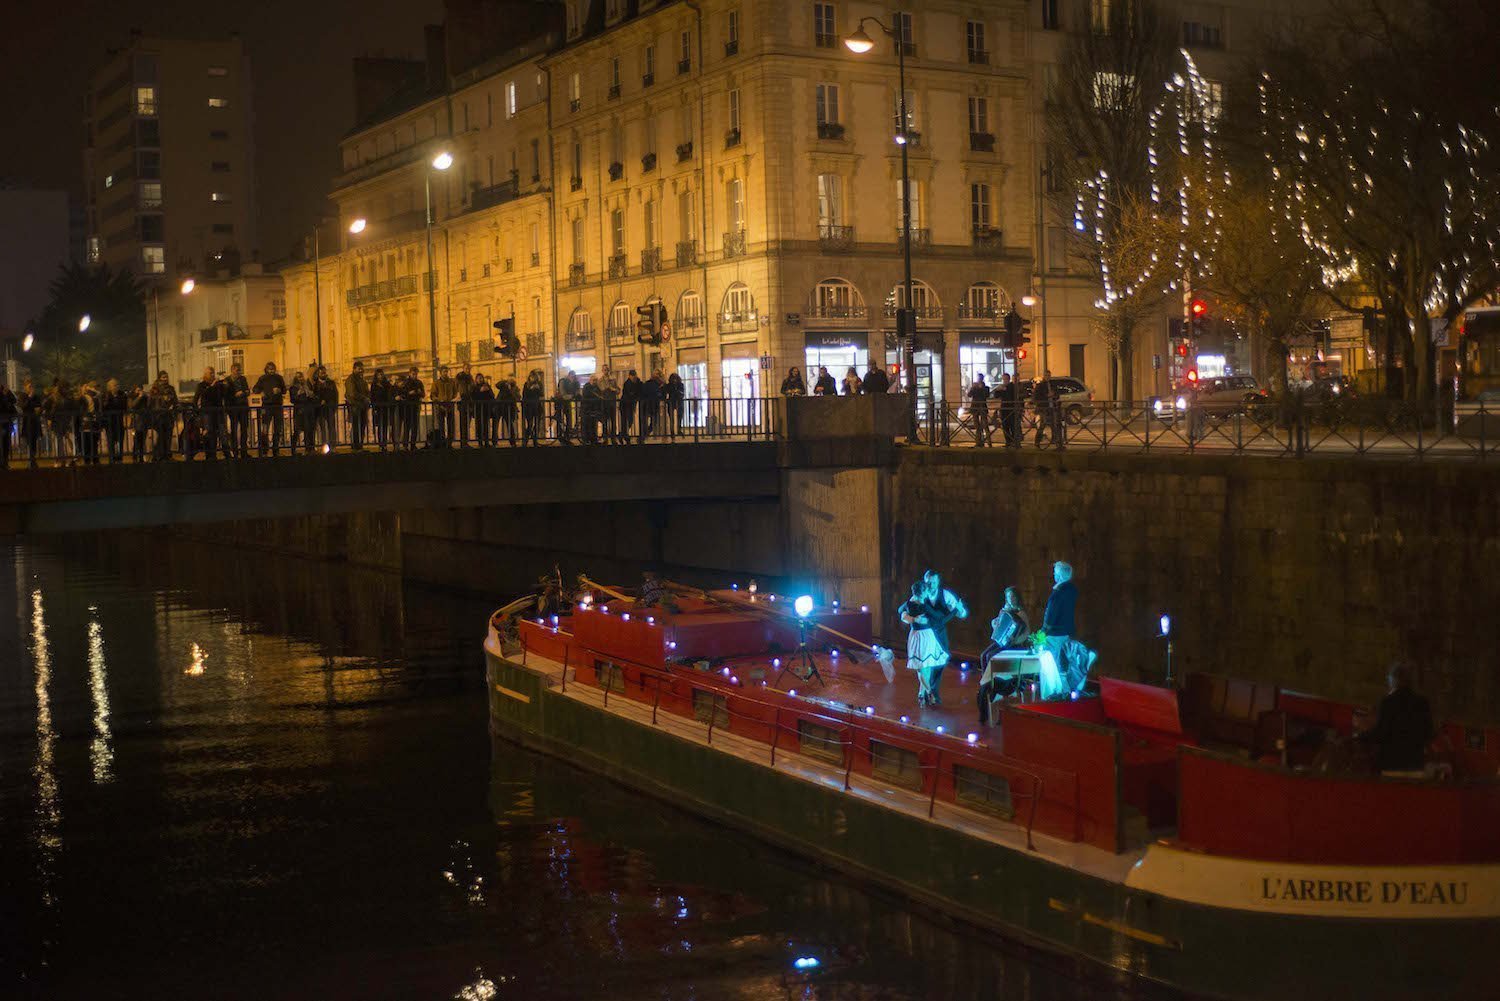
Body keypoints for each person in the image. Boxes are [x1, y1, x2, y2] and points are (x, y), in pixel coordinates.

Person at [899, 571, 968, 707]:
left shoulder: (946, 595)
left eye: (933, 582)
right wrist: (910, 618)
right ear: (925, 582)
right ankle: (928, 693)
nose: (931, 585)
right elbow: (902, 609)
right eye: (928, 582)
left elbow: (962, 613)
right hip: (924, 634)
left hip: (937, 634)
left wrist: (959, 610)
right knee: (924, 665)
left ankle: (928, 692)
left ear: (938, 582)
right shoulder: (919, 596)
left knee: (936, 663)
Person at [1356, 663, 1435, 776]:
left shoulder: (1388, 702)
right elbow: (1429, 732)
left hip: (1392, 763)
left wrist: (1361, 736)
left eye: (1389, 678)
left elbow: (1381, 732)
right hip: (1415, 764)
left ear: (1394, 679)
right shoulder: (1422, 703)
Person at [1039, 561, 1096, 698]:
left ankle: (1056, 692)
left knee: (1051, 663)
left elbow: (1051, 614)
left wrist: (1043, 631)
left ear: (1059, 575)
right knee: (1062, 660)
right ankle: (1065, 690)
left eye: (1055, 573)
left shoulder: (1058, 593)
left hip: (1054, 633)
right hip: (1065, 631)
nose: (1053, 575)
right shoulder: (1072, 590)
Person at [976, 588, 1032, 724]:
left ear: (1017, 598)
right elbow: (997, 623)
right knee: (984, 655)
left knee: (991, 655)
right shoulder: (1005, 610)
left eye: (1012, 597)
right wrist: (995, 623)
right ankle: (986, 678)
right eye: (1008, 597)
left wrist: (1015, 640)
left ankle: (992, 681)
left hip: (1013, 643)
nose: (1010, 599)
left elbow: (1026, 632)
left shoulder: (1021, 613)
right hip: (1002, 641)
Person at [253, 362, 286, 456]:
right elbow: (255, 389)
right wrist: (261, 392)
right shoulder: (262, 378)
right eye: (270, 369)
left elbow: (284, 390)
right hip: (266, 406)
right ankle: (264, 448)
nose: (271, 370)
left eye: (273, 369)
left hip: (277, 405)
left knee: (277, 428)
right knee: (265, 428)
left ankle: (275, 448)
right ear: (266, 369)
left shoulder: (279, 378)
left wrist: (279, 390)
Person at [191, 367, 222, 461]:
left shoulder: (217, 385)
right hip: (206, 413)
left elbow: (220, 396)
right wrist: (196, 413)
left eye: (213, 373)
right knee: (208, 433)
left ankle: (213, 454)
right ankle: (209, 454)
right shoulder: (201, 385)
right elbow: (200, 396)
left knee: (216, 433)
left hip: (216, 411)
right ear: (205, 374)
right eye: (210, 373)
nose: (212, 375)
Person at [222, 363, 250, 459]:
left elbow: (247, 391)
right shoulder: (227, 380)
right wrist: (234, 394)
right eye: (236, 370)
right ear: (232, 370)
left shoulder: (243, 379)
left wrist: (243, 393)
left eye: (239, 370)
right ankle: (235, 451)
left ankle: (244, 451)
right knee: (233, 430)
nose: (238, 372)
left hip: (243, 407)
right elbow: (225, 394)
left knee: (244, 429)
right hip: (233, 408)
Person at [344, 360, 370, 450]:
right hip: (355, 406)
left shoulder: (361, 380)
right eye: (359, 369)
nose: (361, 370)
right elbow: (352, 393)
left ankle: (359, 445)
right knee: (356, 426)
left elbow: (366, 391)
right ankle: (355, 445)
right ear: (354, 369)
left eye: (362, 369)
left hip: (361, 407)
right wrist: (364, 398)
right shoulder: (351, 379)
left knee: (362, 426)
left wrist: (367, 397)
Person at [289, 372, 316, 455]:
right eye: (298, 377)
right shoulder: (293, 388)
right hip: (299, 411)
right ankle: (293, 449)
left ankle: (309, 448)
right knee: (297, 430)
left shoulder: (307, 385)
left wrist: (311, 395)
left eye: (301, 377)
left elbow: (312, 396)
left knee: (309, 429)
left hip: (308, 410)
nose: (301, 379)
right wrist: (298, 394)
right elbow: (292, 399)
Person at [313, 365, 339, 450]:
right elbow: (314, 396)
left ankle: (333, 446)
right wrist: (319, 402)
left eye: (324, 372)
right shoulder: (315, 385)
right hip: (320, 409)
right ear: (318, 373)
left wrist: (334, 406)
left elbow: (335, 395)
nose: (323, 374)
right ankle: (324, 446)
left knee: (331, 427)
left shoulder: (331, 383)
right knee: (322, 428)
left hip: (330, 407)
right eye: (321, 372)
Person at [19, 379, 44, 468]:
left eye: (32, 386)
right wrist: (29, 398)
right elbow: (23, 407)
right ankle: (30, 460)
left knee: (34, 441)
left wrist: (38, 409)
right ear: (25, 387)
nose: (31, 388)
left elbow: (39, 406)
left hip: (35, 422)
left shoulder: (36, 396)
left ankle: (33, 460)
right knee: (29, 440)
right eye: (29, 386)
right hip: (27, 422)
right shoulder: (23, 396)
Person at [399, 366, 425, 450]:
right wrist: (409, 393)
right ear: (410, 373)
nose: (415, 376)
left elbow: (423, 394)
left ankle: (413, 444)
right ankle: (405, 444)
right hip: (407, 406)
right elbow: (402, 393)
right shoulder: (406, 382)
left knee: (414, 426)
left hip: (415, 406)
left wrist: (419, 393)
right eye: (413, 374)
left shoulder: (419, 382)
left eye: (416, 374)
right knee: (407, 426)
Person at [432, 365, 457, 444]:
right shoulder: (436, 383)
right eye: (444, 372)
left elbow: (455, 393)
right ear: (440, 373)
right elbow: (433, 395)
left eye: (447, 371)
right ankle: (442, 442)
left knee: (451, 425)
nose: (446, 373)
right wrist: (439, 400)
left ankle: (449, 442)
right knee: (441, 425)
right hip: (440, 406)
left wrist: (453, 399)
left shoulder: (451, 382)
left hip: (450, 406)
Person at [996, 372, 1020, 447]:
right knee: (1005, 426)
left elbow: (1012, 395)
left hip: (1011, 409)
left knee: (1012, 426)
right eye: (1003, 379)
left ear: (1008, 379)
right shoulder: (1002, 387)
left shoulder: (1012, 386)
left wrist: (1004, 389)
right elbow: (996, 395)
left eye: (1005, 379)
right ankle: (1008, 441)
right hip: (1004, 408)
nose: (1004, 381)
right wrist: (998, 390)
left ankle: (1014, 441)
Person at [521, 370, 545, 446]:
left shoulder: (539, 384)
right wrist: (531, 389)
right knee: (530, 424)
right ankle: (526, 440)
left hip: (537, 406)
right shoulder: (526, 384)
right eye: (532, 376)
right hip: (529, 407)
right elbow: (524, 395)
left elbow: (542, 394)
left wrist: (537, 389)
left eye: (534, 376)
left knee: (537, 424)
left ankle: (535, 440)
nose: (533, 378)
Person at [454, 363, 475, 447]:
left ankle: (465, 441)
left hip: (469, 402)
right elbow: (458, 388)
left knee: (467, 423)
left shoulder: (470, 378)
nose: (468, 370)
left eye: (469, 368)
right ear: (463, 368)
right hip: (463, 402)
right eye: (466, 368)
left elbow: (471, 389)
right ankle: (463, 442)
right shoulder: (460, 377)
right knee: (463, 423)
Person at [639, 370, 663, 442]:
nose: (656, 375)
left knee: (654, 422)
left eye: (658, 374)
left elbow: (662, 394)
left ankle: (644, 435)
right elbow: (645, 392)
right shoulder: (649, 383)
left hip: (653, 404)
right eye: (655, 374)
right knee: (648, 421)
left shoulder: (660, 383)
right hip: (648, 404)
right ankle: (643, 435)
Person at [473, 373, 497, 446]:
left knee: (486, 425)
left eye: (481, 378)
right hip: (478, 409)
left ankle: (486, 441)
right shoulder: (475, 387)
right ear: (476, 380)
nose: (480, 379)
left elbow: (492, 396)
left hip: (486, 409)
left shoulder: (487, 386)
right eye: (479, 378)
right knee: (479, 425)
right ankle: (480, 441)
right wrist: (480, 391)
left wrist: (487, 390)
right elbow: (474, 397)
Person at [968, 373, 991, 447]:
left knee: (985, 425)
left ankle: (989, 441)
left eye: (979, 378)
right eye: (978, 378)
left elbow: (986, 395)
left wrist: (981, 388)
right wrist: (973, 388)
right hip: (975, 407)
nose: (978, 380)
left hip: (982, 407)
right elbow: (969, 395)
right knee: (977, 426)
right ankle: (978, 442)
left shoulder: (986, 388)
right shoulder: (974, 387)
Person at [618, 369, 641, 443]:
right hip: (625, 404)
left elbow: (638, 391)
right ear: (630, 376)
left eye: (635, 376)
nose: (634, 378)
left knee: (630, 421)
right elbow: (628, 393)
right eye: (633, 376)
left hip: (630, 404)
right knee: (625, 421)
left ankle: (622, 435)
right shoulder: (627, 383)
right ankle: (624, 435)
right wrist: (635, 395)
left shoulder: (637, 382)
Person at [579, 373, 602, 444]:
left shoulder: (596, 388)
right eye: (594, 380)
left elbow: (599, 395)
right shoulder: (587, 387)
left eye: (596, 380)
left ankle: (593, 438)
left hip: (593, 409)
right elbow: (587, 395)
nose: (595, 382)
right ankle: (586, 439)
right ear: (590, 380)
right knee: (586, 424)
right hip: (586, 409)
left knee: (593, 424)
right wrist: (596, 397)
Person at [497, 376, 519, 446]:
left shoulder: (515, 388)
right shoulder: (503, 385)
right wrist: (505, 382)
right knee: (496, 423)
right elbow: (497, 385)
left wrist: (511, 390)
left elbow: (517, 397)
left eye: (512, 379)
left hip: (508, 408)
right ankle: (495, 440)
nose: (510, 380)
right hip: (500, 406)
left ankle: (512, 441)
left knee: (509, 424)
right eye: (509, 379)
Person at [599, 368, 619, 443]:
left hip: (612, 402)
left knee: (613, 420)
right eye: (604, 370)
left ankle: (613, 437)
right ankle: (605, 437)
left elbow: (617, 390)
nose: (606, 371)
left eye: (607, 369)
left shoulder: (613, 379)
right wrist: (607, 388)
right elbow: (600, 389)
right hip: (604, 402)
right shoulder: (600, 380)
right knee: (605, 420)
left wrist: (614, 389)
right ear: (602, 371)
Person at [664, 371, 685, 440]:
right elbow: (666, 393)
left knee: (679, 417)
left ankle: (678, 430)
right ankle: (672, 432)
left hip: (677, 402)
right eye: (673, 379)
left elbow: (682, 394)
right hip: (672, 402)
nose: (674, 380)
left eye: (675, 379)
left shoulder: (680, 385)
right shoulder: (669, 385)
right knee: (672, 419)